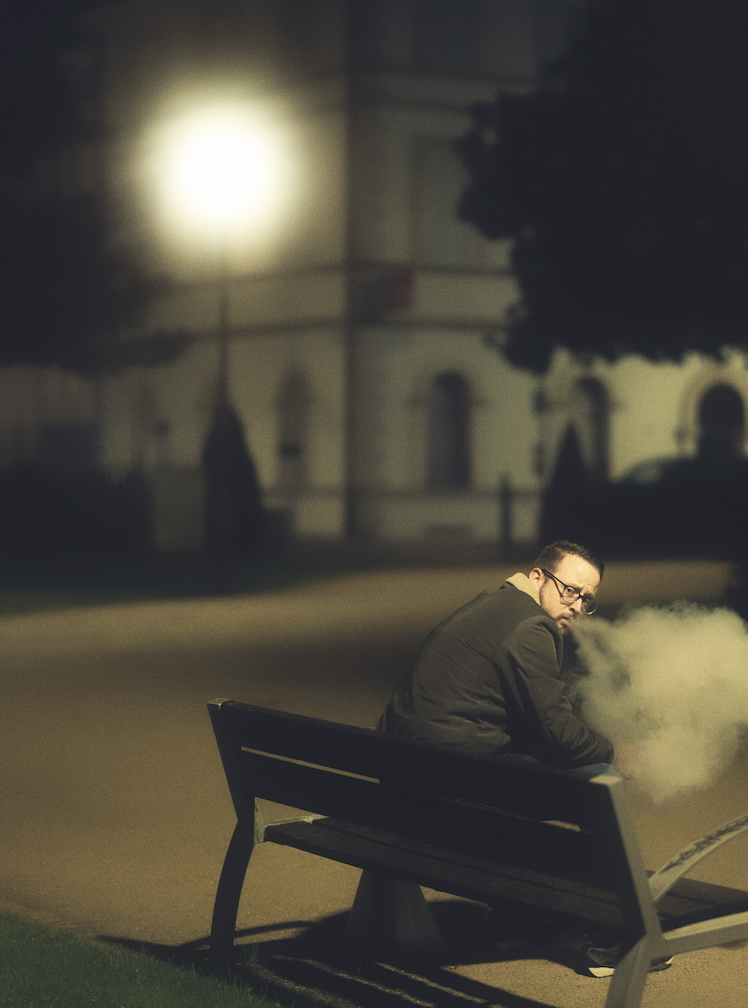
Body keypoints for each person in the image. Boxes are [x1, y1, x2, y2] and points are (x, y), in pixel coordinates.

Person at [349, 540, 671, 976]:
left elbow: (524, 724)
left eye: (587, 599)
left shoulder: (492, 606)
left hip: (404, 786)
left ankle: (518, 920)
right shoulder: (531, 626)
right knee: (598, 779)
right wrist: (616, 751)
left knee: (534, 770)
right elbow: (559, 735)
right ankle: (615, 935)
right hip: (442, 794)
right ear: (537, 577)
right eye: (569, 590)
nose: (577, 606)